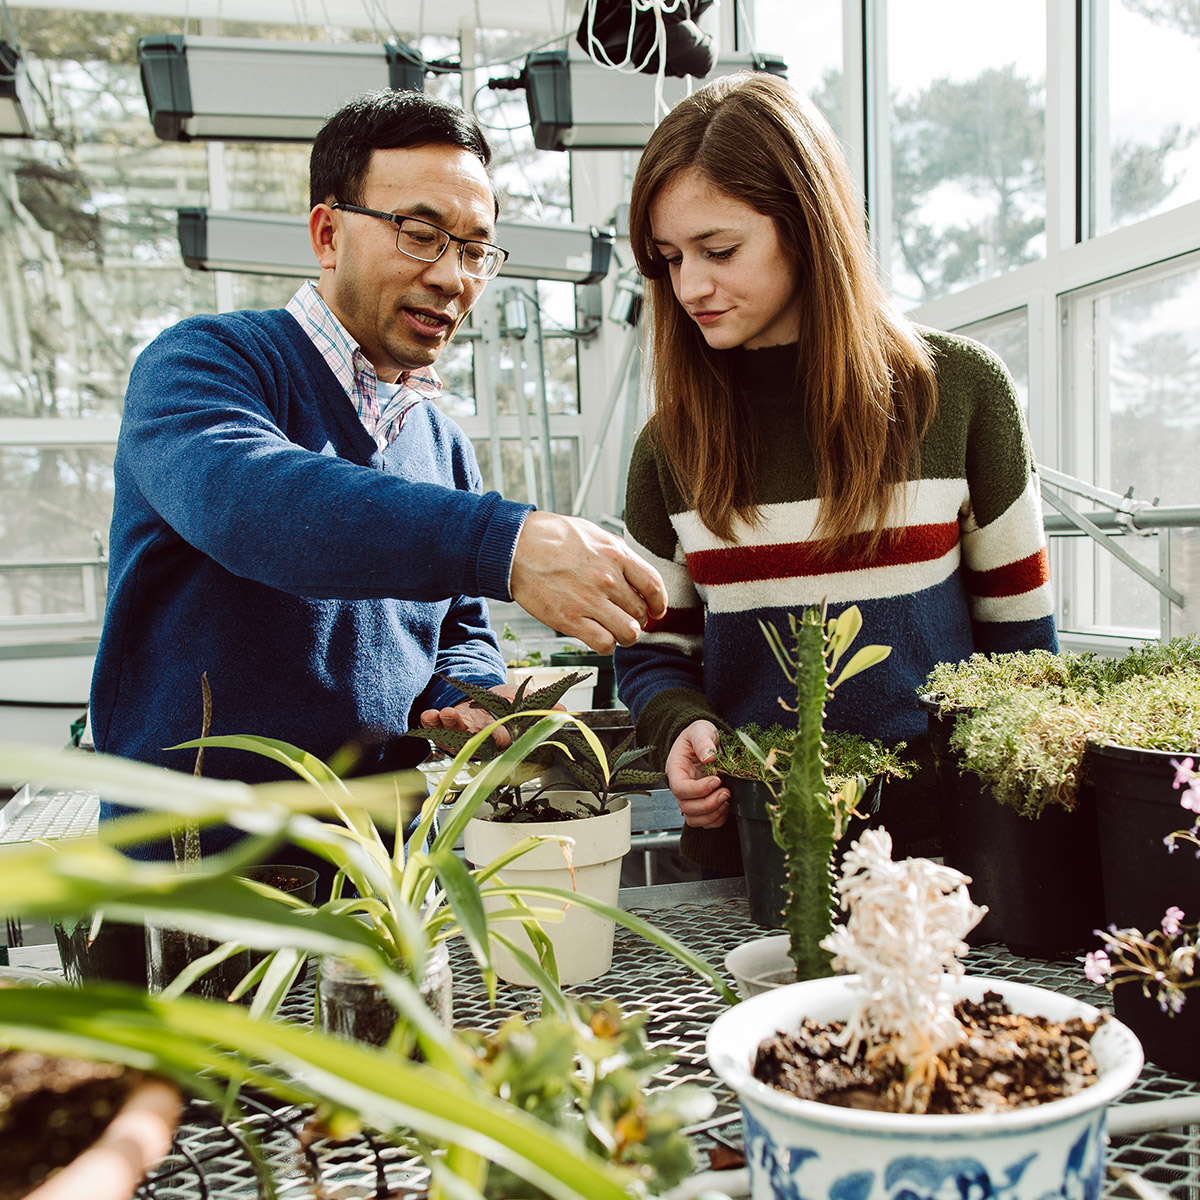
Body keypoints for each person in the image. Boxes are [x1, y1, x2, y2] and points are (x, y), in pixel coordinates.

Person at [89, 88, 666, 846]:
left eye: (473, 250)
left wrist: (471, 693)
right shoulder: (205, 365)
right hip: (197, 887)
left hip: (383, 874)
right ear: (328, 234)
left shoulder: (439, 444)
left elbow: (456, 628)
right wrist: (507, 542)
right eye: (421, 233)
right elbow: (253, 506)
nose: (453, 277)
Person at [613, 73, 1058, 876]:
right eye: (670, 259)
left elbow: (1023, 647)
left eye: (719, 250)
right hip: (749, 860)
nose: (690, 288)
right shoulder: (668, 447)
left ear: (809, 226)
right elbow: (652, 654)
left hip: (941, 863)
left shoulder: (958, 394)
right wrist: (678, 724)